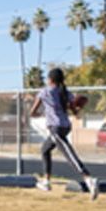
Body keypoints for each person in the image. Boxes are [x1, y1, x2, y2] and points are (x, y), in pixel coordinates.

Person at [29, 67, 98, 198]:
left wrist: (40, 114)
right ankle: (46, 181)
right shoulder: (65, 92)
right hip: (65, 126)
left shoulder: (45, 92)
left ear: (50, 79)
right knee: (45, 150)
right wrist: (77, 108)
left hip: (55, 127)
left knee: (69, 155)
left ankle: (88, 179)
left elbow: (32, 112)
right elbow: (74, 110)